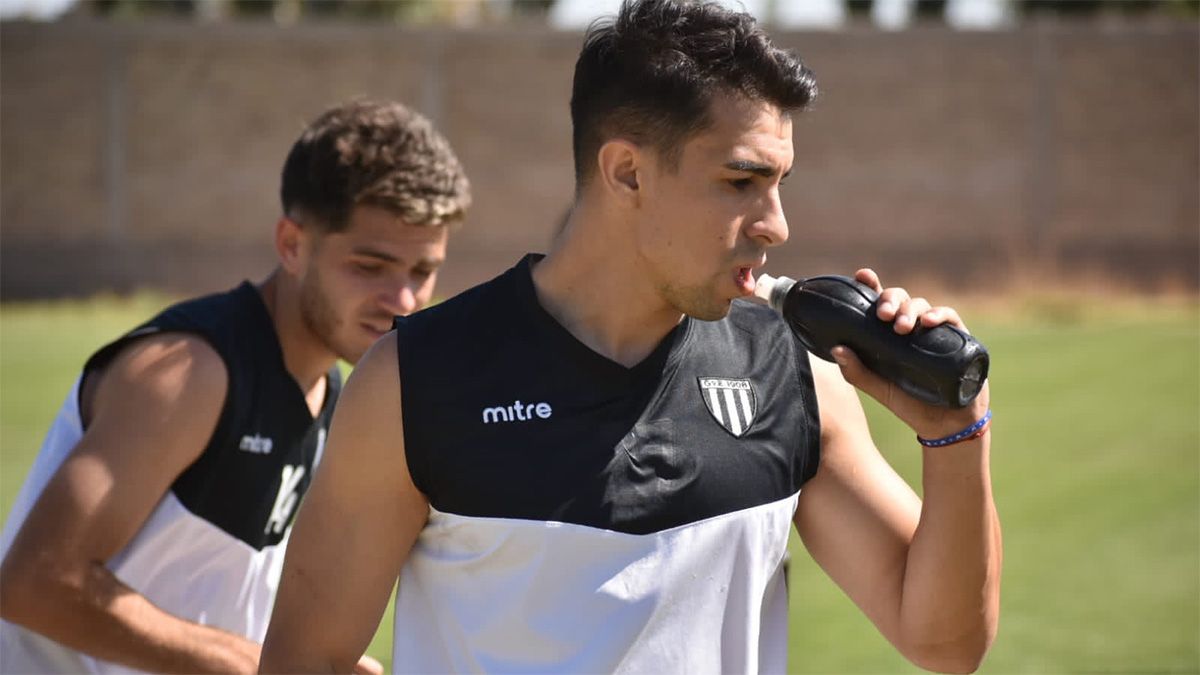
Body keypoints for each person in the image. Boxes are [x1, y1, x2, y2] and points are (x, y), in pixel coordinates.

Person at [260, 1, 1002, 672]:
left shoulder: (797, 374)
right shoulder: (415, 380)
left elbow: (945, 642)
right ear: (626, 172)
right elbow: (305, 659)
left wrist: (958, 434)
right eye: (741, 182)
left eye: (780, 183)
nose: (777, 224)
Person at [0, 99, 472, 674]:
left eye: (423, 272)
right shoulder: (191, 371)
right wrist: (254, 665)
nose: (403, 302)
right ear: (293, 245)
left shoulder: (331, 390)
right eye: (369, 266)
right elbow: (36, 582)